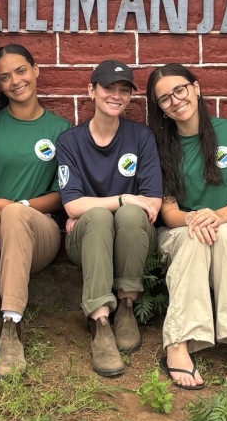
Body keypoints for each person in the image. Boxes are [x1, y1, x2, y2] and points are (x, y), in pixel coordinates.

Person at [145, 64, 227, 390]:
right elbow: (168, 212)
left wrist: (217, 216)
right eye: (164, 99)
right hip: (181, 229)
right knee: (195, 237)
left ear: (196, 88)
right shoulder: (159, 145)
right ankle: (179, 342)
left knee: (222, 233)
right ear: (160, 109)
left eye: (179, 90)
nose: (175, 101)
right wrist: (193, 219)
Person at [0, 44, 69, 380]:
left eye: (21, 71)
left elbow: (64, 193)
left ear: (36, 70)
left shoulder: (60, 129)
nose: (15, 81)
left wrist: (18, 207)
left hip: (39, 234)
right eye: (5, 77)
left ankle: (11, 329)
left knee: (12, 215)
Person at [55, 60, 162, 377]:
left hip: (133, 236)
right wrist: (122, 198)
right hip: (86, 240)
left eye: (123, 90)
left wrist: (103, 206)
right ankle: (100, 321)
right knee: (102, 216)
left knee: (127, 214)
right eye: (108, 88)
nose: (116, 95)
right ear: (91, 91)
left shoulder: (141, 137)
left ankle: (126, 306)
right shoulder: (70, 141)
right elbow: (72, 206)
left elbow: (152, 203)